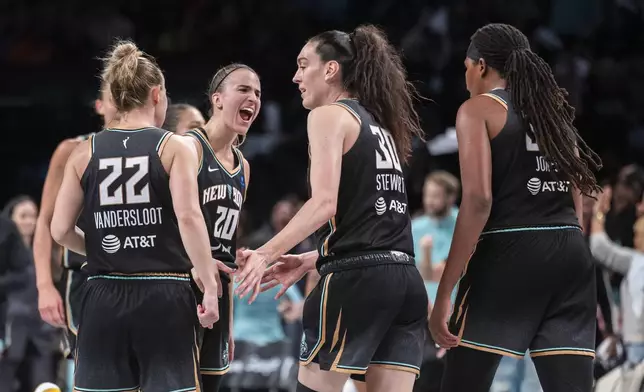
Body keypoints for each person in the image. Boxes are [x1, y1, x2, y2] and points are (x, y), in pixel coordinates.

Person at [235, 25, 428, 392]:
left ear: (330, 70)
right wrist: (313, 260)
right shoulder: (382, 127)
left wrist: (264, 252)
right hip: (404, 281)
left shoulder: (328, 116)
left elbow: (325, 203)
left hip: (355, 284)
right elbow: (377, 221)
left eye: (303, 64)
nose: (296, 77)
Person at [428, 23, 602, 392]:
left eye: (465, 68)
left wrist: (446, 291)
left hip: (510, 250)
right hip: (570, 254)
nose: (465, 78)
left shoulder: (478, 110)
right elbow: (577, 202)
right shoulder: (555, 117)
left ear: (481, 67)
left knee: (462, 383)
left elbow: (478, 201)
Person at [49, 40, 225, 392]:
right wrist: (208, 284)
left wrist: (102, 249)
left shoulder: (85, 152)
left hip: (102, 298)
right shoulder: (173, 146)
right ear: (157, 94)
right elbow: (189, 217)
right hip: (165, 295)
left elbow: (59, 229)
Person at [185, 63, 260, 392]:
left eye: (257, 93)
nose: (253, 98)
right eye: (243, 89)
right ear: (217, 98)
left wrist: (228, 319)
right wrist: (192, 265)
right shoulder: (189, 148)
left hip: (218, 291)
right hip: (181, 285)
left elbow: (226, 250)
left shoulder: (243, 166)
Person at [33, 81, 117, 365]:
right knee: (94, 371)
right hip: (85, 276)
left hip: (141, 276)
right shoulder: (74, 149)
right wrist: (45, 284)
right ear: (99, 105)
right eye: (113, 97)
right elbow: (46, 222)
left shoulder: (160, 147)